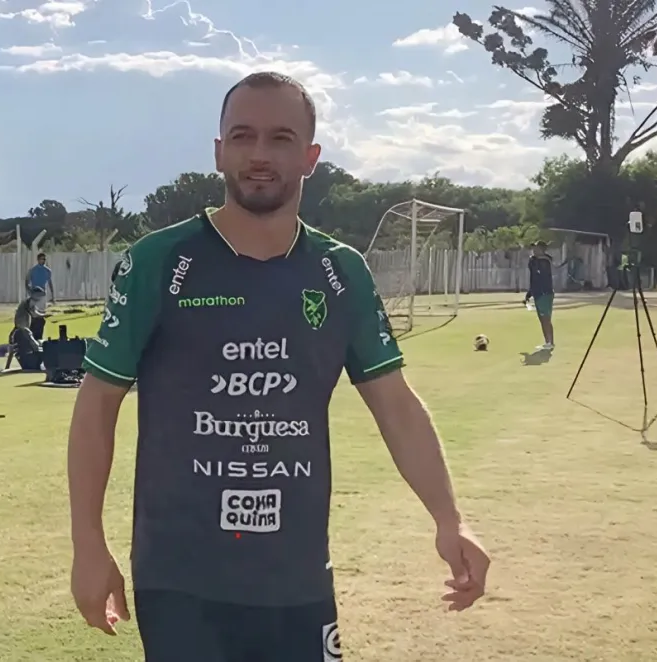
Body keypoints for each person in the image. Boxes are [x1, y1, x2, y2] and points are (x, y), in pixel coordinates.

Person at [67, 71, 490, 661]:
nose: (259, 154)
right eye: (243, 136)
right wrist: (89, 545)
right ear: (219, 152)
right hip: (181, 579)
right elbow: (97, 404)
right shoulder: (159, 261)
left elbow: (395, 403)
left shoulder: (340, 272)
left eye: (281, 138)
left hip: (297, 575)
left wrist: (450, 518)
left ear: (311, 157)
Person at [523, 240, 555, 350]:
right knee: (542, 319)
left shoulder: (544, 261)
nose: (534, 250)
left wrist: (533, 262)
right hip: (538, 293)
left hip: (544, 293)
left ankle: (550, 342)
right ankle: (547, 342)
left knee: (546, 319)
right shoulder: (535, 260)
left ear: (541, 250)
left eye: (536, 248)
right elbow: (534, 278)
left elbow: (541, 276)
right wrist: (530, 293)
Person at [10, 286, 51, 370]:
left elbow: (35, 312)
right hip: (22, 325)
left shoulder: (31, 302)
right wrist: (44, 315)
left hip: (24, 326)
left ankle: (38, 345)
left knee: (39, 322)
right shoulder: (30, 302)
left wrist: (44, 314)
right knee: (30, 338)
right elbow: (34, 314)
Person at [26, 253, 54, 340]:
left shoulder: (48, 271)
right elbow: (27, 282)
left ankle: (39, 336)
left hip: (43, 295)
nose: (43, 261)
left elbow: (50, 283)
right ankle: (32, 336)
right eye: (42, 259)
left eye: (44, 259)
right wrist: (29, 292)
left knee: (41, 316)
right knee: (34, 315)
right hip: (35, 295)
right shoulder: (33, 270)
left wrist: (52, 295)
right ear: (38, 260)